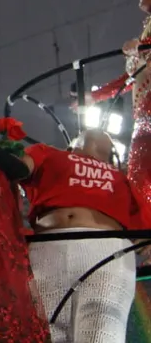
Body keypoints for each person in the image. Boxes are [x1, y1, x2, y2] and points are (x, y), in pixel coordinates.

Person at [20, 130, 150, 342]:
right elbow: (17, 169)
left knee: (102, 333)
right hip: (49, 247)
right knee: (46, 333)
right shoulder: (48, 153)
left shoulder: (121, 178)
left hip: (107, 252)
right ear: (72, 146)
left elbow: (145, 234)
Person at [90, 0, 151, 206]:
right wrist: (94, 97)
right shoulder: (146, 32)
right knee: (137, 184)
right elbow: (131, 78)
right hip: (143, 121)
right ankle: (142, 238)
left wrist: (141, 47)